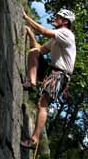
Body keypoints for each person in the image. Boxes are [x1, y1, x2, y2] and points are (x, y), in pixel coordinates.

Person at [21, 9, 76, 149]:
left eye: (58, 17)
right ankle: (31, 82)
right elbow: (39, 49)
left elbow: (44, 31)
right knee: (33, 52)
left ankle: (34, 140)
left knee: (43, 104)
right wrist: (30, 32)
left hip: (60, 75)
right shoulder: (55, 40)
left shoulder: (66, 33)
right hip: (52, 71)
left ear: (65, 21)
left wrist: (27, 18)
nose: (55, 18)